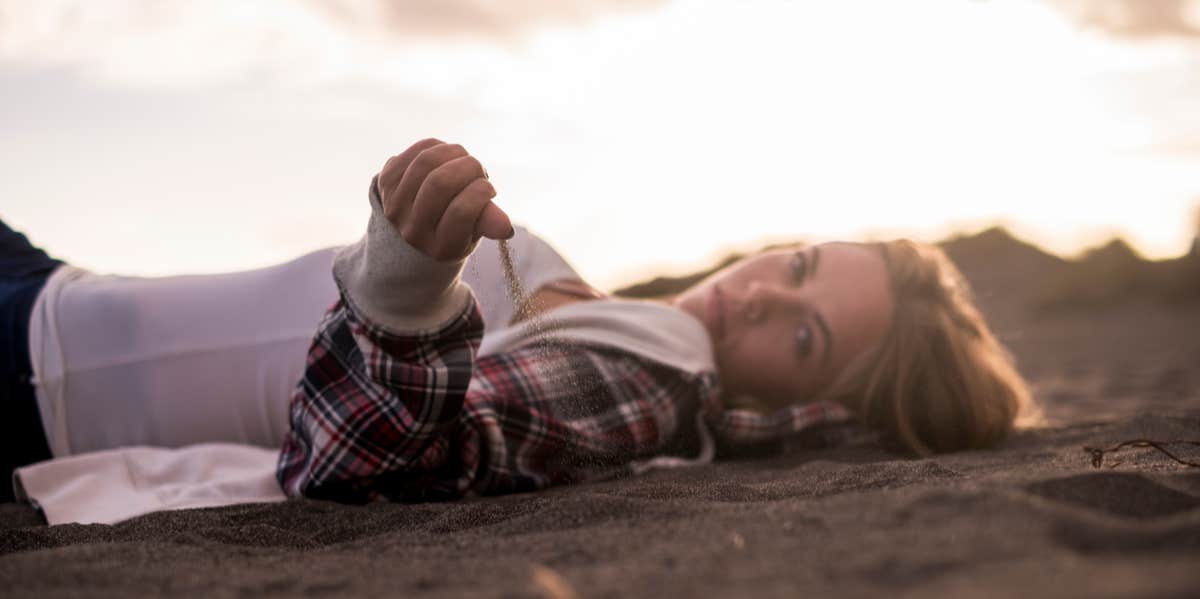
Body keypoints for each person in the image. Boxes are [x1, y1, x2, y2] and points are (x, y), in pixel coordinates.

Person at [1, 138, 1032, 506]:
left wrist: (402, 299)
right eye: (797, 263)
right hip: (55, 287)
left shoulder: (652, 382)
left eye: (801, 333)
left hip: (31, 373)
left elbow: (386, 456)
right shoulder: (618, 319)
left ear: (805, 398)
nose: (760, 290)